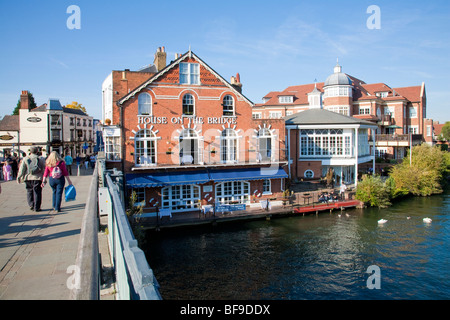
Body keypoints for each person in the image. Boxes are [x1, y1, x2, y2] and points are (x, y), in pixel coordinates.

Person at [17, 147, 46, 212]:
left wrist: (19, 177)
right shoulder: (41, 158)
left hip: (28, 177)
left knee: (29, 191)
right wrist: (44, 178)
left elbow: (22, 169)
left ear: (30, 151)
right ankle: (37, 207)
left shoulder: (26, 158)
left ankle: (31, 205)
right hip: (37, 177)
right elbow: (44, 168)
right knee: (37, 192)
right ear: (37, 151)